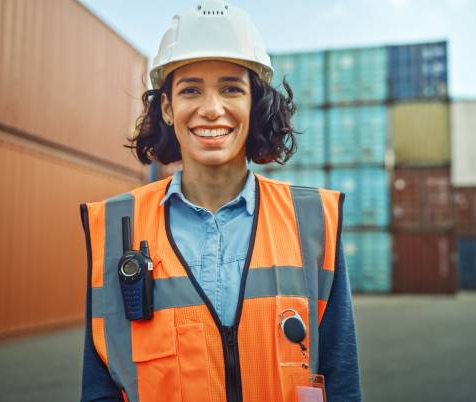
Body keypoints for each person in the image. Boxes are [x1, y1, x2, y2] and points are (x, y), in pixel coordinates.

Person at [79, 1, 360, 401]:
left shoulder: (312, 220)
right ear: (167, 107)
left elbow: (340, 377)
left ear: (254, 103)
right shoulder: (115, 224)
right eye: (191, 89)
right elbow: (99, 385)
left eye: (231, 88)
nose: (211, 109)